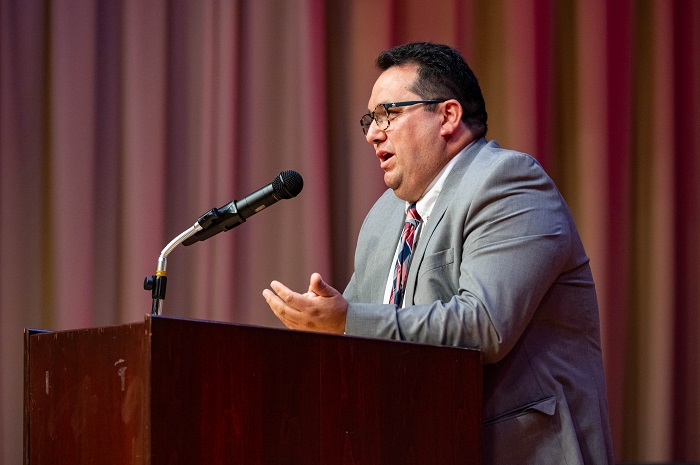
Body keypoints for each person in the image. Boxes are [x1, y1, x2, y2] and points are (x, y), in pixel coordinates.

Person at [262, 42, 614, 464]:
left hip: (512, 450)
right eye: (369, 120)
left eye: (387, 114)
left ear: (447, 116)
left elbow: (483, 326)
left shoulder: (509, 183)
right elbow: (361, 333)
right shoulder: (384, 216)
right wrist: (323, 331)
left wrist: (345, 321)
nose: (373, 133)